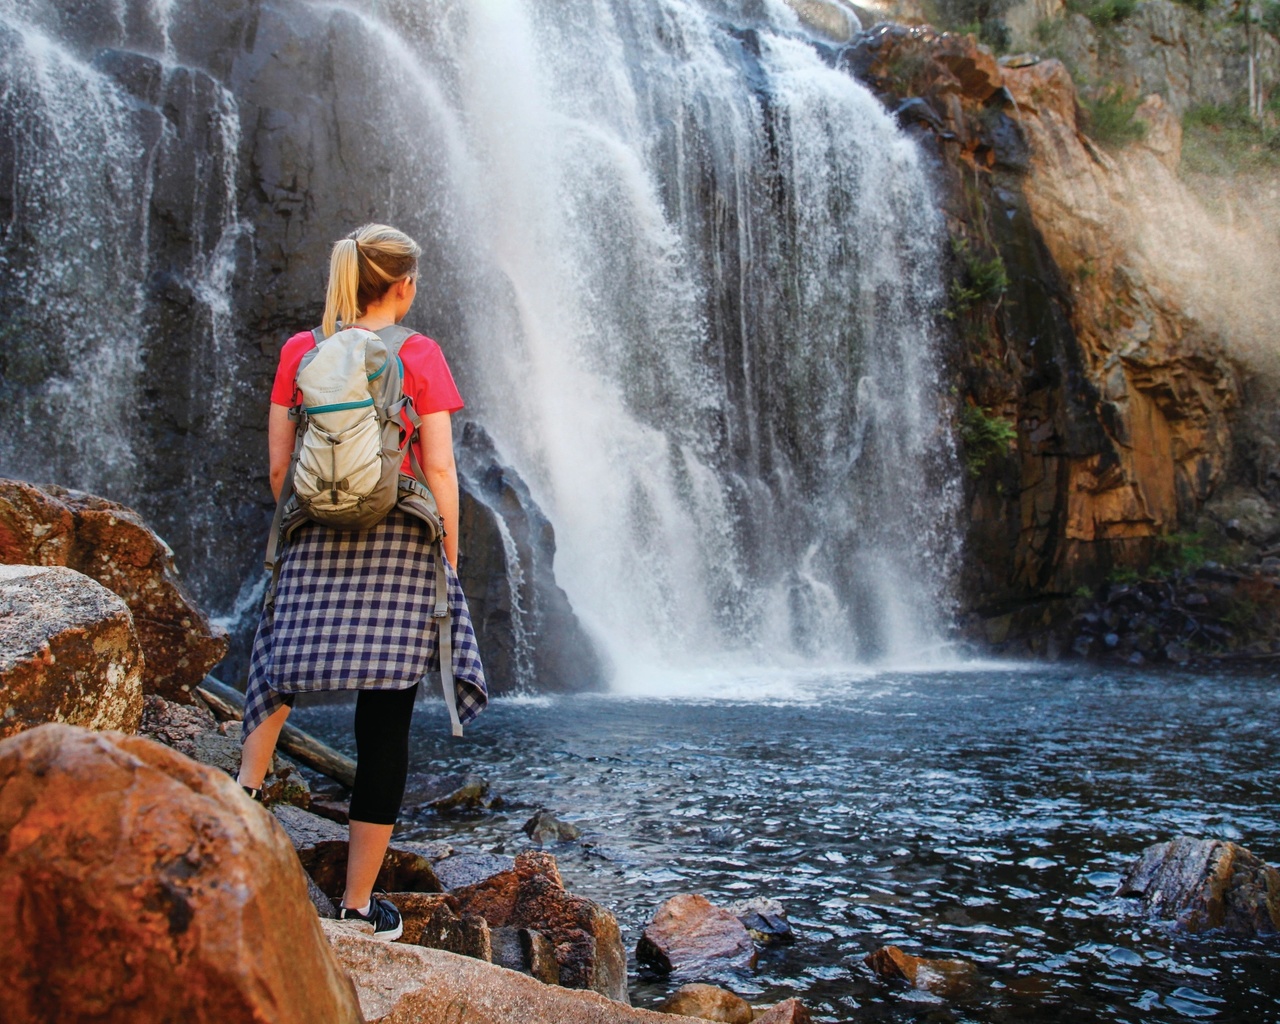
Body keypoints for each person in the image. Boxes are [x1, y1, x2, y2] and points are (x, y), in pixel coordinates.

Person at [237, 223, 487, 940]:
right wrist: (449, 552)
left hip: (315, 531)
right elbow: (439, 468)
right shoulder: (420, 353)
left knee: (279, 667)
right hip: (401, 540)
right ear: (403, 285)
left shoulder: (300, 350)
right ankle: (353, 909)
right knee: (384, 723)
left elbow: (281, 467)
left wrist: (302, 527)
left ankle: (240, 799)